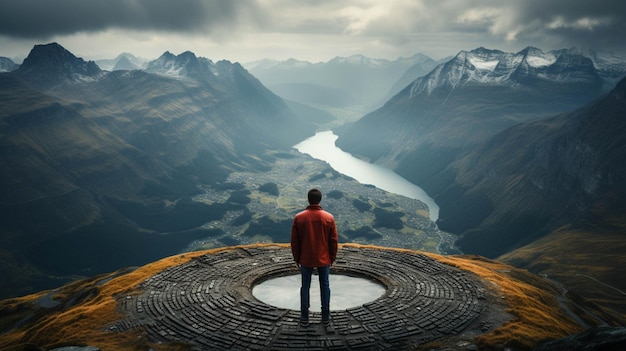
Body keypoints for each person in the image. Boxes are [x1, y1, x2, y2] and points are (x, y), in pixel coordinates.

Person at [290, 188, 339, 327]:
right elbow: (333, 241)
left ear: (308, 199)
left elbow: (295, 241)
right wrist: (332, 258)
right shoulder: (328, 218)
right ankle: (325, 317)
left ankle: (304, 317)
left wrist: (296, 259)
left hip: (305, 258)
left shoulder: (299, 217)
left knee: (305, 286)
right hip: (324, 258)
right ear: (320, 199)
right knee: (325, 286)